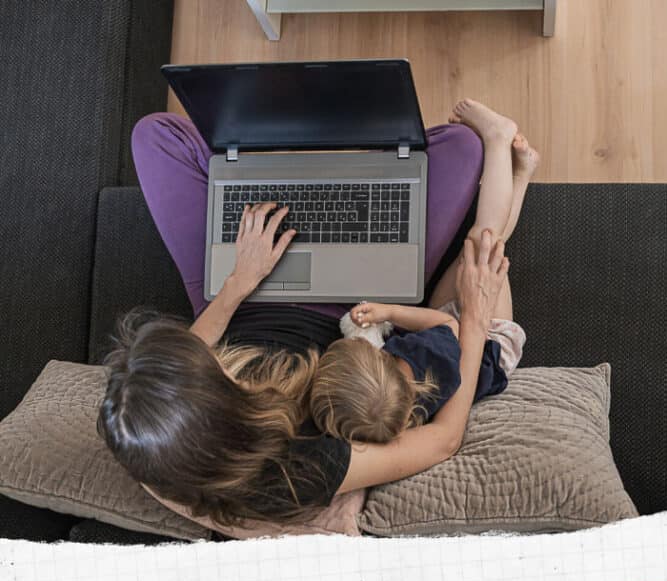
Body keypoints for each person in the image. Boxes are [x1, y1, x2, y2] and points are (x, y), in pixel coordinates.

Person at [98, 104, 510, 528]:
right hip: (345, 307)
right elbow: (441, 442)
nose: (198, 345)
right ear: (217, 404)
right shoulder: (294, 471)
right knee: (459, 147)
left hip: (237, 295)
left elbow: (195, 347)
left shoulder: (141, 427)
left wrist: (240, 279)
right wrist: (476, 320)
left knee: (155, 134)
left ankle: (278, 179)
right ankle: (326, 180)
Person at [310, 100, 538, 444]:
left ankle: (521, 173)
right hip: (488, 344)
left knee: (488, 243)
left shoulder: (377, 410)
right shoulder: (425, 359)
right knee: (483, 242)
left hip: (454, 340)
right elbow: (449, 327)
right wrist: (389, 311)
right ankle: (497, 139)